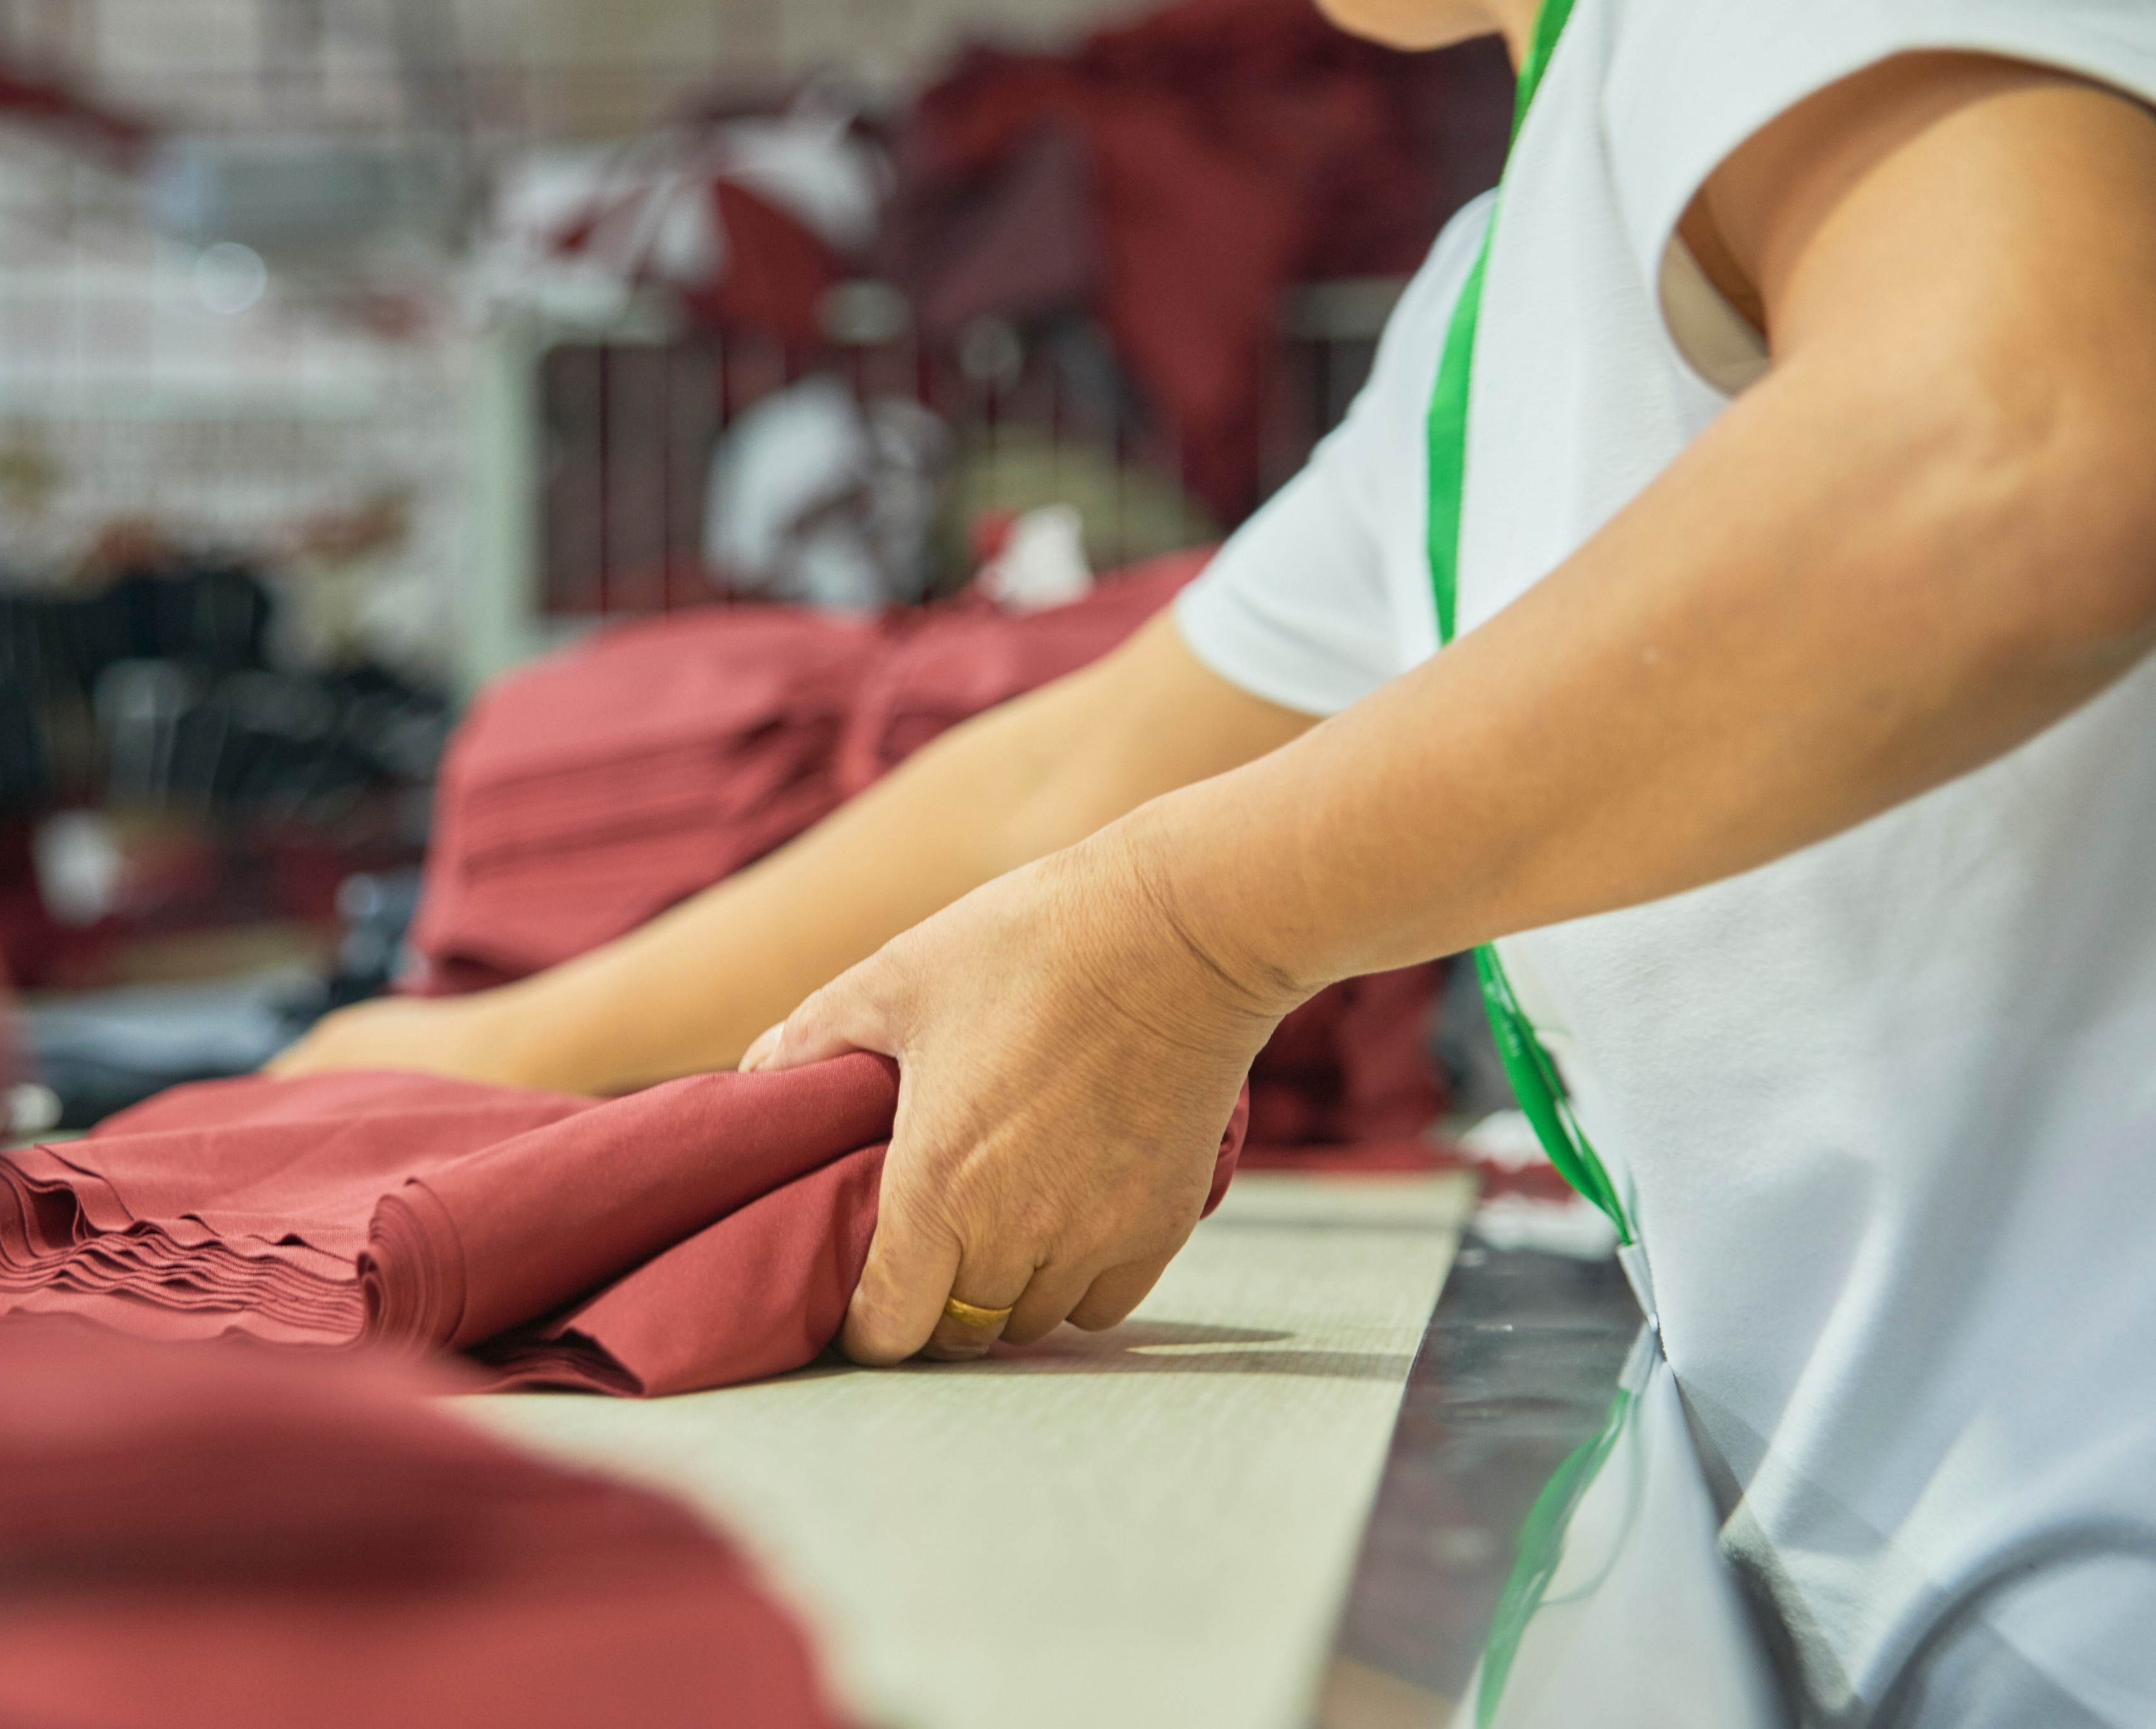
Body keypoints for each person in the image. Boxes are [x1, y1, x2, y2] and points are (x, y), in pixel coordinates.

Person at [282, 2, 2156, 1716]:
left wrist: (1184, 938)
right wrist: (468, 1060)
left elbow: (2023, 446)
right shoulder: (1480, 321)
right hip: (1927, 1586)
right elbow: (1083, 769)